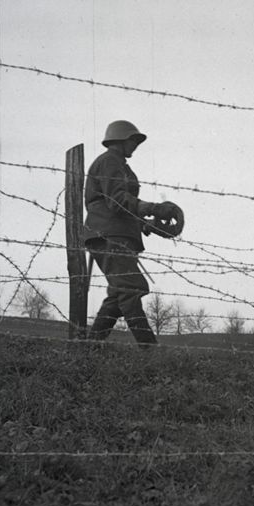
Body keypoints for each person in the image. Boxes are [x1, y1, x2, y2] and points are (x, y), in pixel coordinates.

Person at [82, 120, 176, 346]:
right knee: (131, 288)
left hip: (116, 234)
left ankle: (90, 348)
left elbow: (122, 206)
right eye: (132, 140)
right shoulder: (109, 162)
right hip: (110, 235)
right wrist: (152, 208)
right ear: (120, 140)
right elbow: (117, 201)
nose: (135, 145)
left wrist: (146, 224)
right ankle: (149, 348)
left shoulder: (119, 164)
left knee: (120, 293)